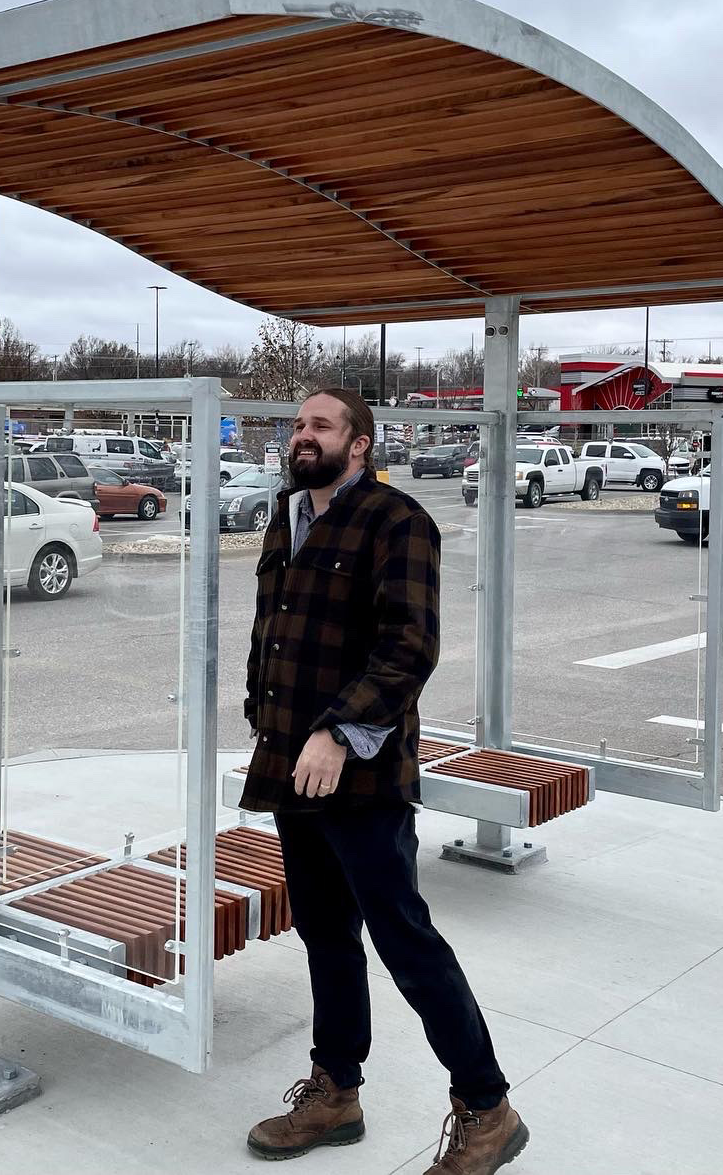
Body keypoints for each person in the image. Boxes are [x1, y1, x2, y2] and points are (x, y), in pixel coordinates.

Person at [241, 388, 527, 1175]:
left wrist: (338, 730)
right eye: (298, 425)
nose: (303, 436)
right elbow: (275, 627)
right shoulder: (287, 514)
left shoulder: (398, 521)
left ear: (359, 444)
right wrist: (259, 708)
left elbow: (409, 645)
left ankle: (487, 1105)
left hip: (361, 774)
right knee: (324, 933)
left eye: (321, 426)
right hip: (292, 767)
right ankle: (337, 1090)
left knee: (404, 938)